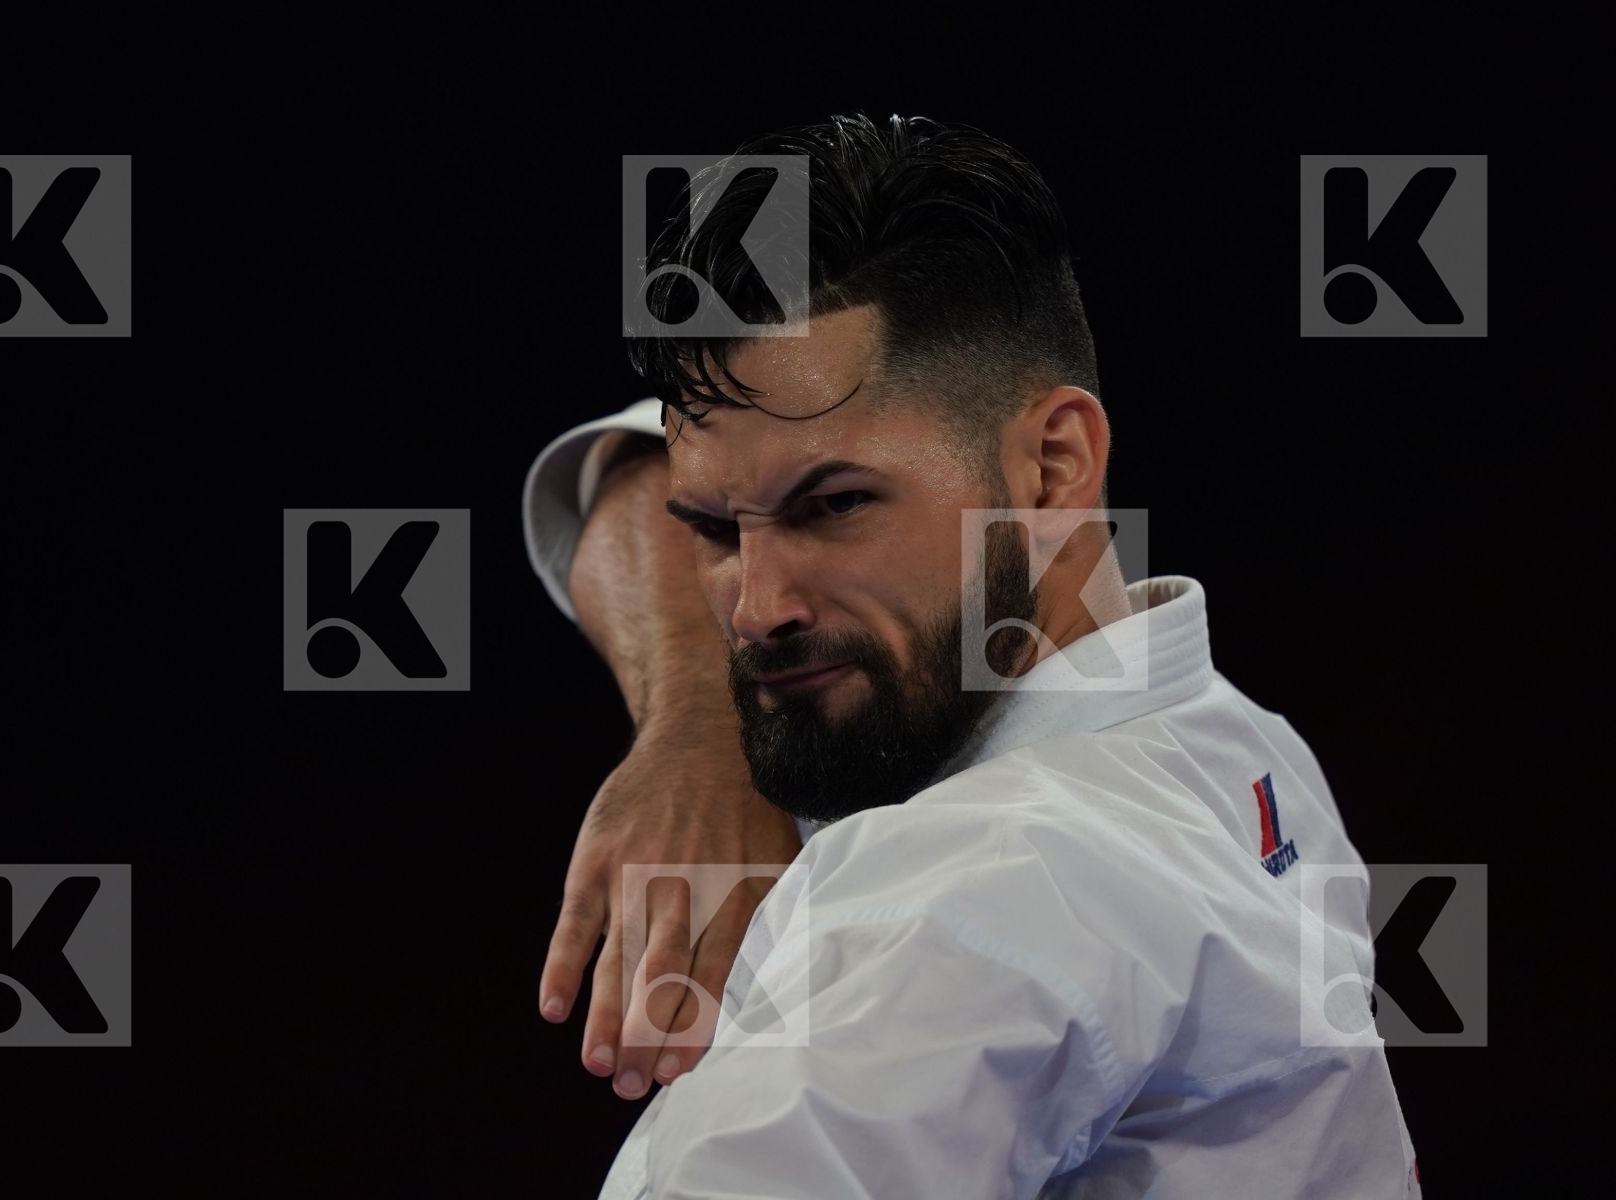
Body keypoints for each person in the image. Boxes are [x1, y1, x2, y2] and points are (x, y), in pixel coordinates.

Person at [525, 114, 1421, 1198]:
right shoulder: (1213, 734)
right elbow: (626, 471)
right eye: (714, 529)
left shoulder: (976, 901)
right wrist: (693, 724)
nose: (755, 609)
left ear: (1052, 467)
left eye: (836, 505)